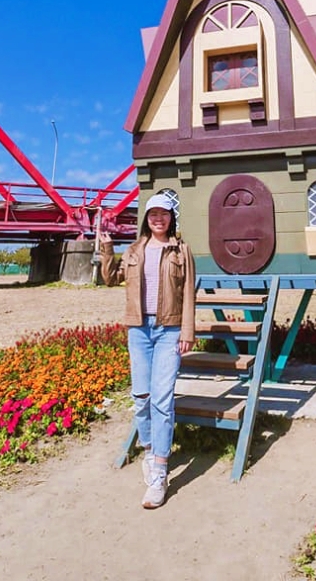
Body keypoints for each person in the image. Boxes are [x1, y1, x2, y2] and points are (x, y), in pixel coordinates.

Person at [118, 193, 196, 509]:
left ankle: (159, 473)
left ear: (171, 218)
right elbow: (110, 277)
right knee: (141, 399)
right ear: (146, 218)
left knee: (162, 400)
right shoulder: (134, 250)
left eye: (164, 214)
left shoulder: (181, 250)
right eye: (153, 214)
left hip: (169, 330)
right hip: (138, 330)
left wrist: (187, 331)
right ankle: (150, 451)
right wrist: (105, 247)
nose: (159, 219)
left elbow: (189, 291)